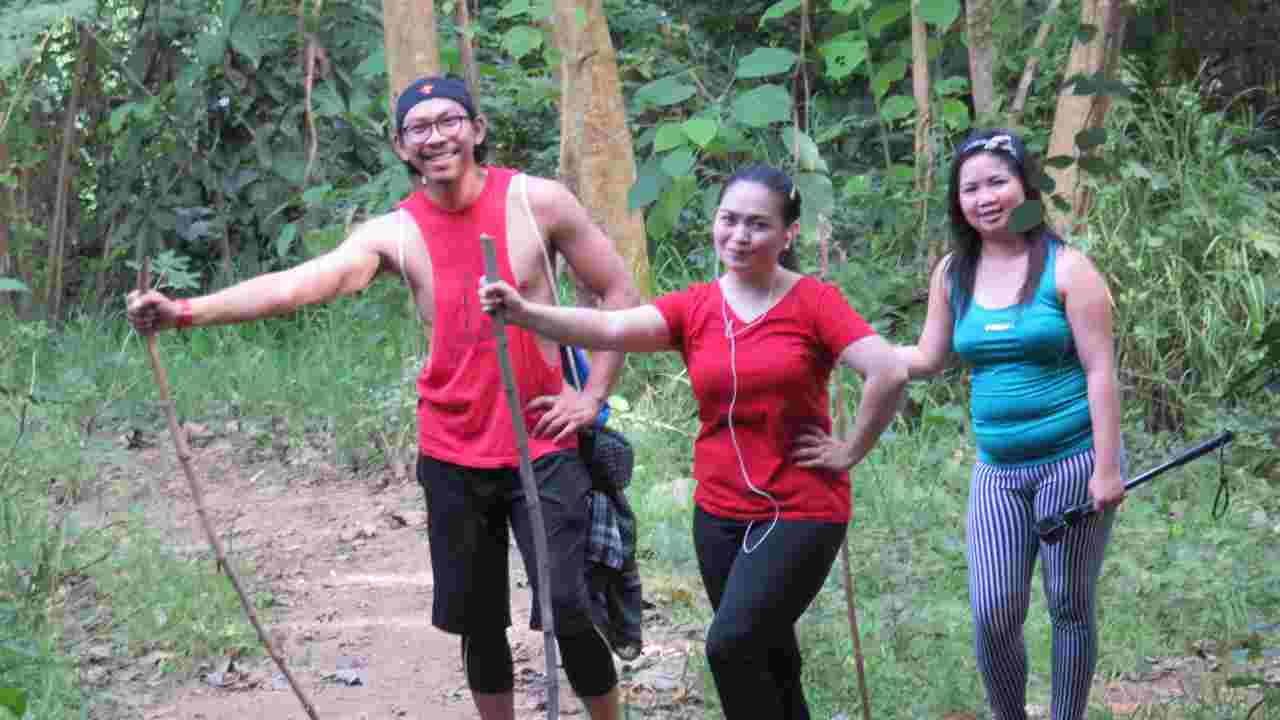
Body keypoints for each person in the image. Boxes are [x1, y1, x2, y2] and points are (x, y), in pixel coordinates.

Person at [127, 75, 642, 720]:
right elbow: (300, 284)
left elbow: (618, 292)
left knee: (569, 608)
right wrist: (184, 311)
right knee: (479, 622)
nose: (436, 137)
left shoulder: (538, 202)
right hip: (452, 450)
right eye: (418, 128)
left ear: (477, 129)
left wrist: (592, 395)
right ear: (401, 146)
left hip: (544, 439)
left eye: (449, 121)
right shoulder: (395, 233)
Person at [479, 164, 907, 719]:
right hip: (719, 512)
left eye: (758, 224)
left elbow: (887, 371)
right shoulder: (696, 306)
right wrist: (524, 313)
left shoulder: (814, 302)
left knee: (731, 646)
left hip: (802, 510)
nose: (740, 235)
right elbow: (611, 328)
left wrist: (850, 449)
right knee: (772, 657)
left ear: (788, 234)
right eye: (729, 220)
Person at [895, 129, 1125, 720]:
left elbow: (1100, 370)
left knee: (1069, 603)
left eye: (997, 181)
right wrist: (855, 350)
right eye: (970, 188)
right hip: (997, 472)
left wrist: (1106, 468)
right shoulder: (953, 273)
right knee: (994, 611)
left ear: (1025, 187)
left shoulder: (1068, 268)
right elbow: (928, 357)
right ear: (958, 201)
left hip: (1072, 463)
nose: (985, 197)